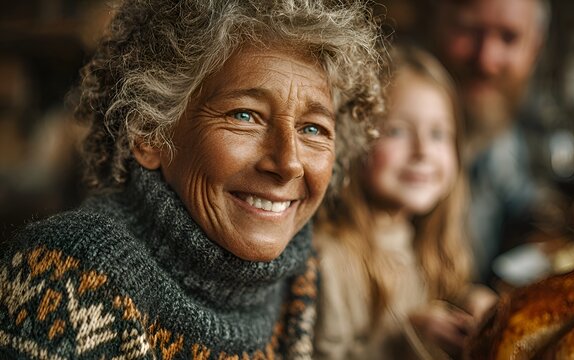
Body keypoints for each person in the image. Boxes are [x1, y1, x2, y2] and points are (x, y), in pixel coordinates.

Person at [0, 0, 385, 358]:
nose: (288, 163)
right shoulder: (70, 271)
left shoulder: (296, 270)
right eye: (245, 116)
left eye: (313, 129)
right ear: (149, 132)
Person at [313, 45, 496, 360]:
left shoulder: (425, 243)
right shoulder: (330, 261)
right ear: (355, 143)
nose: (423, 151)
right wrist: (408, 341)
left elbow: (445, 294)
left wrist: (470, 301)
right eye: (396, 131)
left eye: (439, 134)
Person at [425, 0, 552, 282]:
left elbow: (521, 198)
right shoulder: (377, 131)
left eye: (509, 37)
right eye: (468, 30)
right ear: (435, 26)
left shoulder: (503, 129)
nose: (486, 60)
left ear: (535, 48)